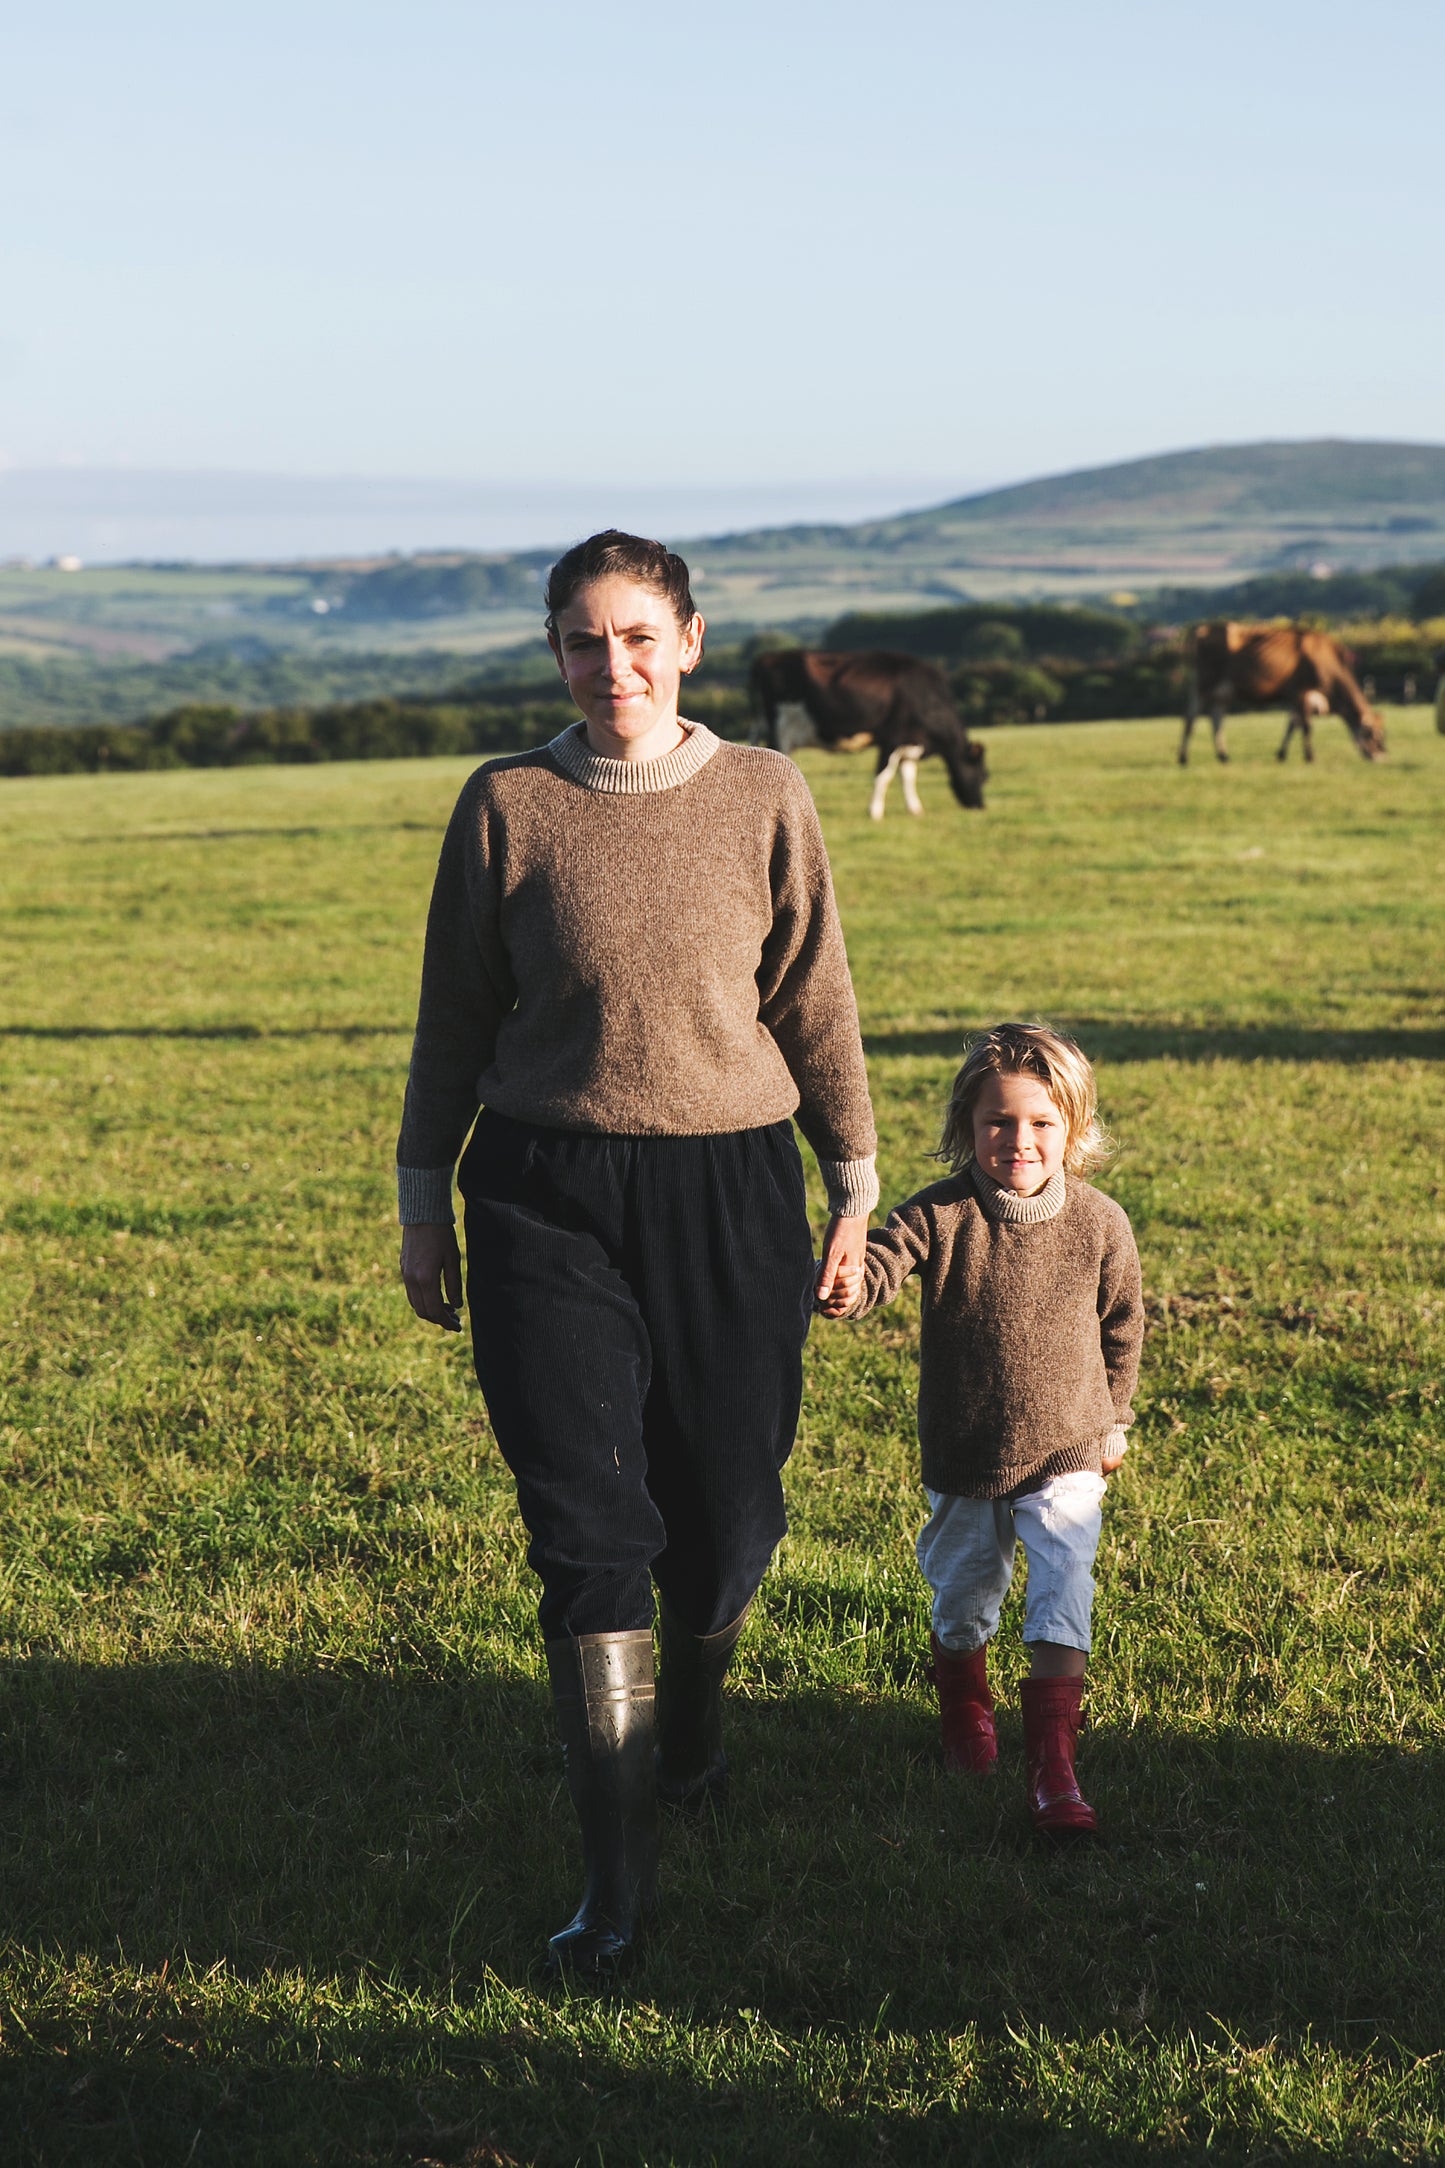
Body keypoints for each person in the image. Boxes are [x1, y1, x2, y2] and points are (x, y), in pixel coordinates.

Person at [397, 530, 878, 1974]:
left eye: (636, 637)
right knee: (589, 1532)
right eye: (580, 641)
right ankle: (612, 1893)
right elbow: (452, 1014)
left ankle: (696, 1736)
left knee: (727, 1517)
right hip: (543, 1189)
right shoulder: (506, 805)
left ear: (690, 639)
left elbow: (816, 998)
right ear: (553, 651)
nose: (611, 666)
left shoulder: (764, 793)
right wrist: (425, 1197)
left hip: (733, 1187)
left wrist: (851, 1182)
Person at [819, 1022, 1143, 1837]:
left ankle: (1052, 1770)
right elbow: (886, 1260)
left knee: (1063, 1585)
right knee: (964, 1600)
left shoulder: (1100, 1224)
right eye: (998, 1121)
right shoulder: (941, 1213)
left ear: (1072, 1129)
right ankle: (965, 1703)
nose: (1018, 1140)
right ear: (965, 1125)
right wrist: (851, 1285)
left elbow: (1121, 1327)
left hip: (1067, 1443)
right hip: (966, 1449)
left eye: (1041, 1123)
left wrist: (1113, 1417)